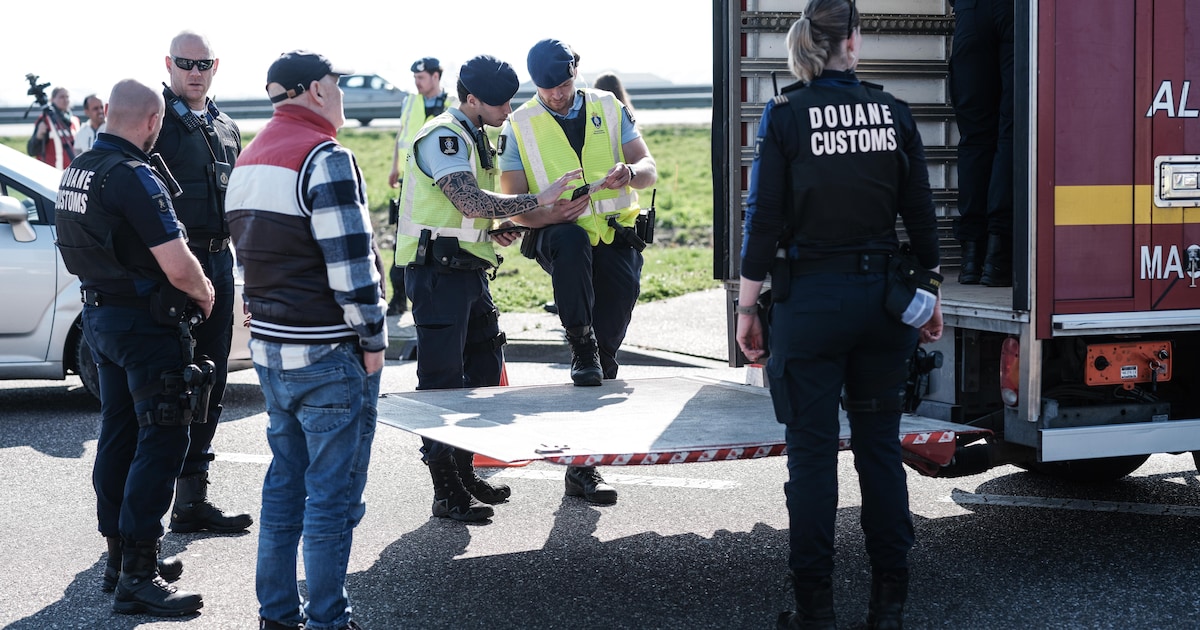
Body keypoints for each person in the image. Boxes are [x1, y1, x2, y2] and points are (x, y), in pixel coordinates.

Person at [733, 1, 943, 627]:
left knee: (812, 458)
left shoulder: (786, 116)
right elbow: (924, 218)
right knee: (879, 451)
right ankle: (889, 605)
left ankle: (815, 612)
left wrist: (748, 308)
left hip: (811, 308)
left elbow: (763, 219)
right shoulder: (895, 113)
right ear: (852, 44)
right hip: (884, 306)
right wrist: (929, 292)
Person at [226, 49, 385, 630]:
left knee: (284, 489)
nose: (341, 94)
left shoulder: (248, 159)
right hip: (327, 353)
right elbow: (352, 268)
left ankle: (276, 615)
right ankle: (326, 619)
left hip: (272, 353)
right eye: (336, 84)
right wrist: (373, 339)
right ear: (316, 90)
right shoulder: (325, 157)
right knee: (331, 499)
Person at [55, 78, 214, 617]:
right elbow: (177, 261)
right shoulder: (132, 177)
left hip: (102, 318)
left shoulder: (79, 169)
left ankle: (119, 559)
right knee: (163, 439)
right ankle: (139, 579)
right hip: (147, 325)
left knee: (120, 434)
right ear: (151, 121)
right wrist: (206, 291)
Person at [397, 54, 581, 522]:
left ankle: (464, 467)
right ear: (472, 99)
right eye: (500, 103)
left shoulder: (479, 135)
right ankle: (445, 489)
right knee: (441, 383)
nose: (508, 110)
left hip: (468, 270)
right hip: (437, 274)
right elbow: (468, 199)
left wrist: (497, 227)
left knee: (483, 371)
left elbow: (472, 214)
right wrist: (535, 200)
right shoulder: (443, 135)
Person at [498, 38, 657, 505]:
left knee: (609, 350)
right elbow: (515, 206)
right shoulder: (519, 124)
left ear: (576, 73)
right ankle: (578, 340)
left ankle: (581, 463)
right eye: (547, 89)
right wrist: (552, 215)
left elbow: (648, 166)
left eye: (564, 84)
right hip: (558, 235)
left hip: (614, 235)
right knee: (571, 252)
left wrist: (630, 172)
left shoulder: (608, 106)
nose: (557, 95)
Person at [152, 30, 252, 535]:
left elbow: (239, 202)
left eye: (204, 63)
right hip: (172, 271)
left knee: (212, 380)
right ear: (169, 63)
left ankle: (193, 501)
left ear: (216, 65)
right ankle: (145, 513)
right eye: (186, 63)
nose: (195, 71)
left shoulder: (227, 126)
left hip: (219, 262)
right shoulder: (156, 123)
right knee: (170, 384)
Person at [950, 0, 1014, 287]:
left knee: (974, 136)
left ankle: (972, 257)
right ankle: (998, 256)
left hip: (970, 11)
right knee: (1012, 130)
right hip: (1017, 12)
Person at [28, 86, 78, 168]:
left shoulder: (75, 121)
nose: (65, 100)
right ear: (52, 99)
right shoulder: (45, 120)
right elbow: (31, 151)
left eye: (67, 97)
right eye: (61, 97)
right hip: (51, 174)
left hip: (70, 175)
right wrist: (38, 136)